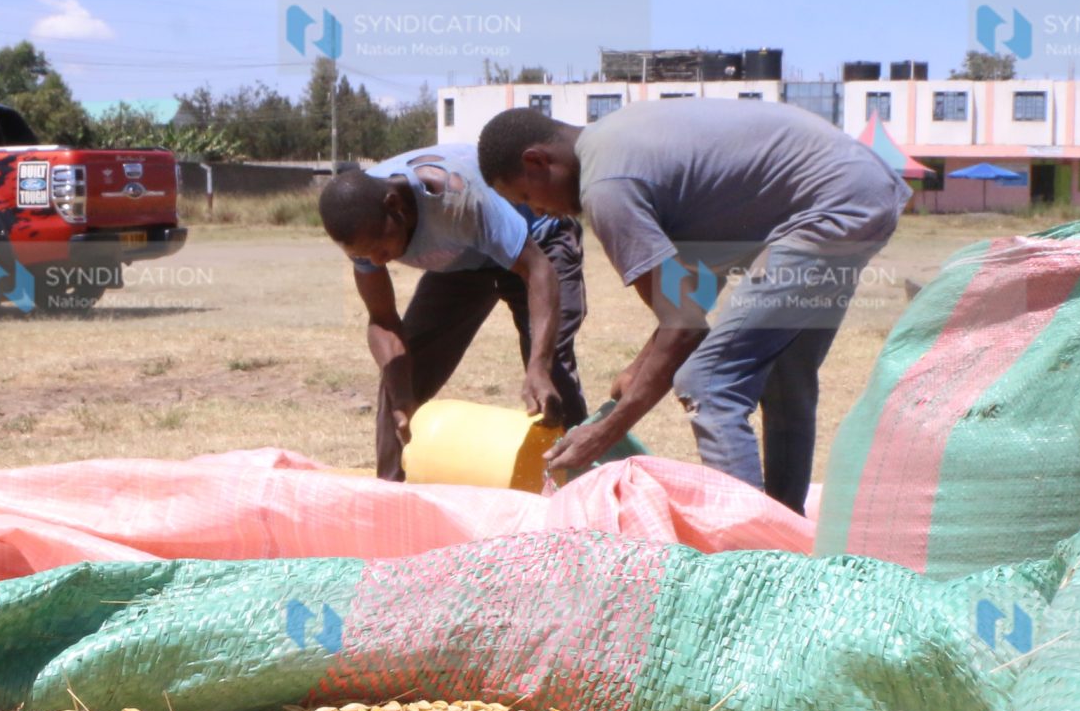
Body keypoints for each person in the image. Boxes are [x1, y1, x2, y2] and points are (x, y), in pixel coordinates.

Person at [477, 100, 906, 513]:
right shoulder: (619, 141)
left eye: (525, 196)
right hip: (861, 189)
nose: (536, 210)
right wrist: (642, 365)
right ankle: (784, 533)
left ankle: (748, 555)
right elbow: (697, 285)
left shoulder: (606, 187)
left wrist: (604, 431)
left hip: (830, 207)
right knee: (785, 378)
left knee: (708, 382)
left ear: (537, 162)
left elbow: (685, 327)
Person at [317, 143, 590, 480]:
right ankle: (390, 494)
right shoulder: (360, 216)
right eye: (363, 256)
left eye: (379, 248)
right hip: (464, 257)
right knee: (401, 375)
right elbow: (383, 319)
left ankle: (583, 491)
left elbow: (537, 270)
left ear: (394, 206)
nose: (376, 261)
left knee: (551, 371)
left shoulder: (456, 196)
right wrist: (403, 395)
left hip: (538, 243)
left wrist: (539, 364)